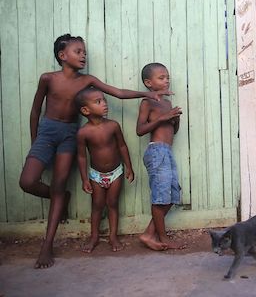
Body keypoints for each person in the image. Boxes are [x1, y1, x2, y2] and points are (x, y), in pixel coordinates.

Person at [19, 34, 170, 269]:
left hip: (69, 134)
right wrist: (35, 142)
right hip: (47, 133)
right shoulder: (48, 79)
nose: (83, 56)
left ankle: (47, 245)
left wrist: (146, 94)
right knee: (27, 181)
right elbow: (35, 111)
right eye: (77, 52)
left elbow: (117, 92)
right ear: (62, 55)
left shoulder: (86, 80)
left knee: (59, 186)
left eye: (84, 52)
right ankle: (61, 199)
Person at [75, 87, 134, 253]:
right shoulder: (83, 132)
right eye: (98, 102)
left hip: (116, 172)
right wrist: (85, 178)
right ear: (85, 110)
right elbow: (81, 157)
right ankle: (94, 237)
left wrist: (129, 167)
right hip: (96, 175)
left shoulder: (113, 126)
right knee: (97, 205)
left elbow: (122, 146)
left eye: (104, 100)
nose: (104, 104)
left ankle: (113, 236)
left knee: (112, 204)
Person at [137, 62, 185, 250]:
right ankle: (162, 237)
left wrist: (175, 119)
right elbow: (140, 130)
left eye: (168, 78)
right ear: (149, 83)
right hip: (156, 151)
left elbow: (173, 130)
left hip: (167, 151)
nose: (166, 81)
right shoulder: (147, 102)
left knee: (172, 195)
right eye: (161, 78)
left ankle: (148, 234)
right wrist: (163, 118)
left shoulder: (167, 103)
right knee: (160, 197)